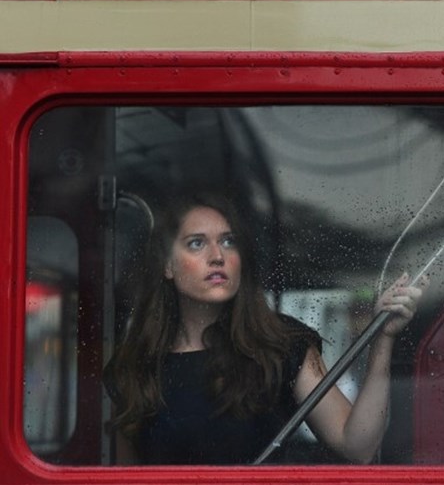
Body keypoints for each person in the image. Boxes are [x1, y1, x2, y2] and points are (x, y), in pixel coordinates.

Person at [106, 190, 425, 466]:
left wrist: (384, 338)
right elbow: (126, 484)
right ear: (167, 265)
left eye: (228, 242)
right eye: (196, 243)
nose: (217, 256)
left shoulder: (281, 344)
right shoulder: (135, 365)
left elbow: (357, 446)